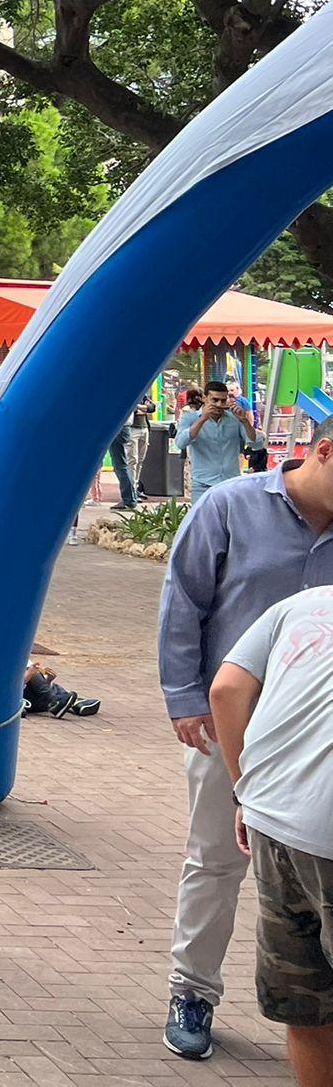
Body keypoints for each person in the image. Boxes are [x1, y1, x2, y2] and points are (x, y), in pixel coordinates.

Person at [155, 414, 333, 1061]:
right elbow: (184, 602)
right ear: (323, 451)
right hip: (229, 719)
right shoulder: (229, 505)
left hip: (320, 732)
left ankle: (312, 1016)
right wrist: (183, 697)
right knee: (217, 859)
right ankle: (192, 991)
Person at [209, 582, 333, 1085]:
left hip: (276, 817)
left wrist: (245, 789)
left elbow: (226, 690)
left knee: (307, 1002)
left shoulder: (303, 604)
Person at [176, 380, 263, 503]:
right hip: (202, 484)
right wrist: (202, 419)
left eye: (223, 400)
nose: (219, 404)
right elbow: (181, 443)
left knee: (231, 521)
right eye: (215, 400)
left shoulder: (234, 419)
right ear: (204, 398)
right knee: (203, 521)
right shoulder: (190, 418)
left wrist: (245, 421)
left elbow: (256, 443)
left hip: (230, 483)